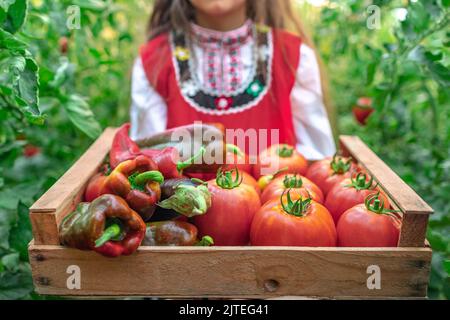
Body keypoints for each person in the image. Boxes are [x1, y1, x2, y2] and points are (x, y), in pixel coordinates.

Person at [130, 0, 336, 160]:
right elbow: (149, 169)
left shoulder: (294, 57)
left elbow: (317, 165)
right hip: (177, 215)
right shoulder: (154, 62)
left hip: (280, 210)